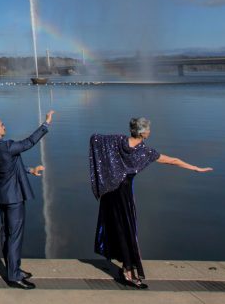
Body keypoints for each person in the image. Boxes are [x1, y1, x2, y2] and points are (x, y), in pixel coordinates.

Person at [90, 117, 213, 289]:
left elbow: (95, 138)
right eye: (148, 129)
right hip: (124, 195)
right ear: (142, 132)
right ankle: (129, 272)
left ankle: (125, 267)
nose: (150, 131)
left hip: (110, 192)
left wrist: (107, 172)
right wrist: (196, 168)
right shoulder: (144, 151)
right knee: (128, 230)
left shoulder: (117, 141)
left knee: (116, 228)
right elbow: (172, 160)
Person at [0, 110, 54, 290]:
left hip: (2, 194)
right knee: (14, 236)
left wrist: (31, 170)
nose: (5, 126)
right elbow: (29, 142)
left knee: (7, 234)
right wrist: (45, 124)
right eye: (2, 125)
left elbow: (11, 167)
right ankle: (14, 276)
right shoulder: (5, 145)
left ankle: (14, 269)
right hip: (13, 197)